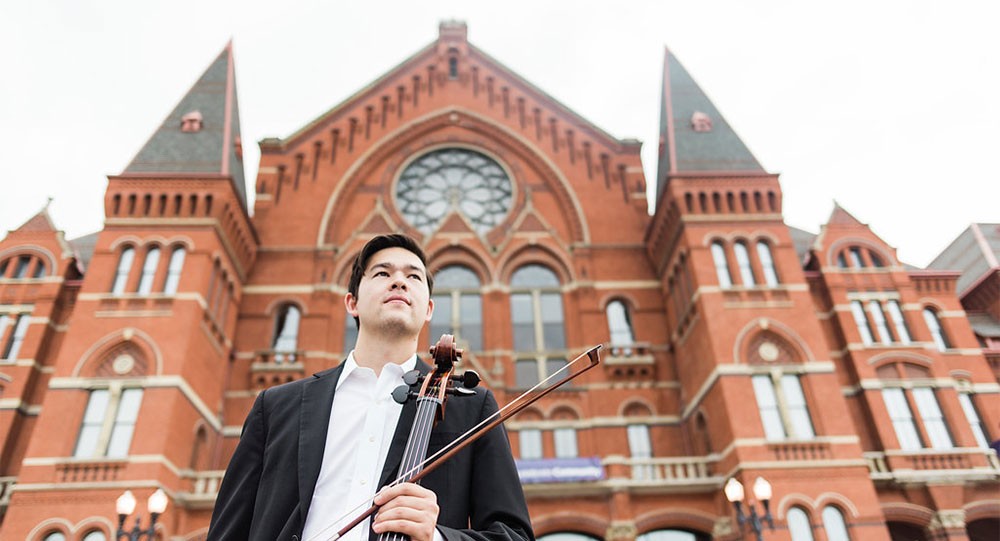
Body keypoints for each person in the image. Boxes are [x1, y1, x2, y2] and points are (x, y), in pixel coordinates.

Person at [208, 234, 533, 541]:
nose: (399, 280)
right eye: (381, 273)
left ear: (428, 310)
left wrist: (436, 536)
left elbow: (513, 534)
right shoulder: (276, 406)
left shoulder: (472, 407)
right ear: (352, 302)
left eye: (414, 277)